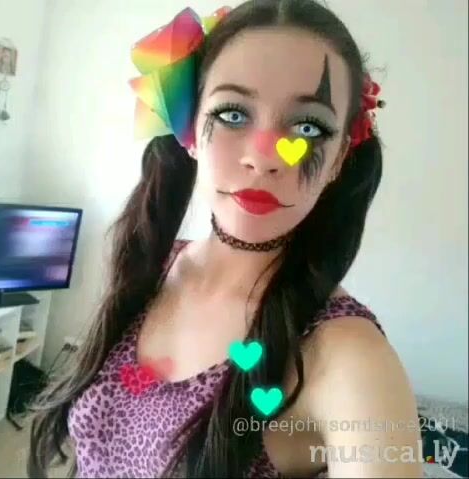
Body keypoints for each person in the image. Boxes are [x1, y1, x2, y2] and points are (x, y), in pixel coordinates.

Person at [28, 1, 423, 477]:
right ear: (191, 129)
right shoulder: (153, 267)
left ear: (340, 158)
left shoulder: (348, 355)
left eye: (308, 126)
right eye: (233, 114)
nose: (263, 157)